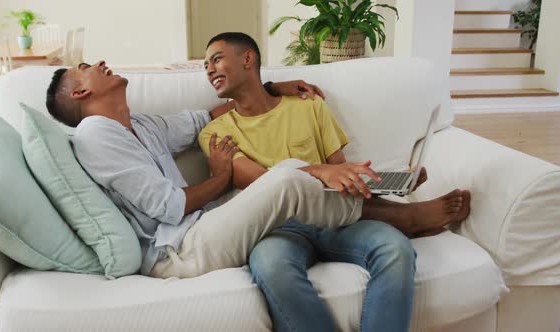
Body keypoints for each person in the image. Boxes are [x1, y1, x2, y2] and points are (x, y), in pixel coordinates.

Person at [198, 32, 471, 332]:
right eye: (206, 65)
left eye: (216, 59)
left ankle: (398, 210)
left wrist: (386, 181)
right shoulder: (216, 134)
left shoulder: (307, 105)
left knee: (396, 249)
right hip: (277, 229)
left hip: (337, 217)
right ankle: (405, 217)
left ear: (248, 59)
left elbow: (338, 170)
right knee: (272, 267)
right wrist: (319, 171)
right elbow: (267, 184)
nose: (209, 69)